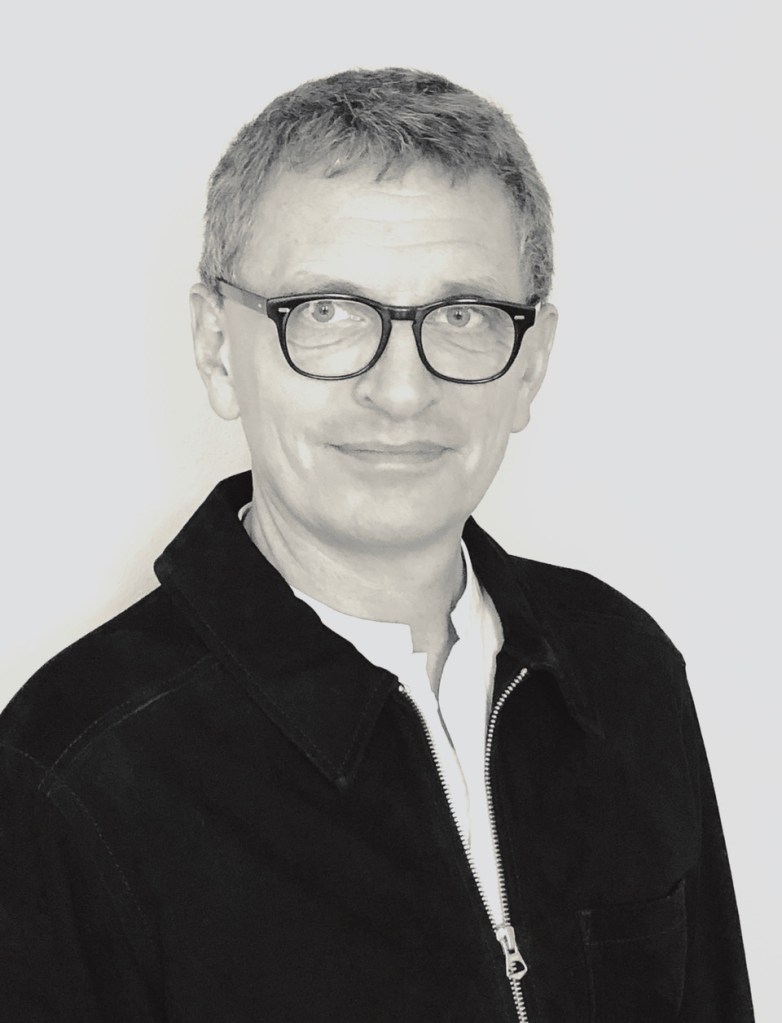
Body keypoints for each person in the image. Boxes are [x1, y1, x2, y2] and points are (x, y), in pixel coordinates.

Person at [0, 68, 753, 1022]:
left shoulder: (625, 669)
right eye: (326, 311)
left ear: (530, 363)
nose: (401, 391)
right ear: (217, 347)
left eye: (464, 314)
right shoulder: (66, 776)